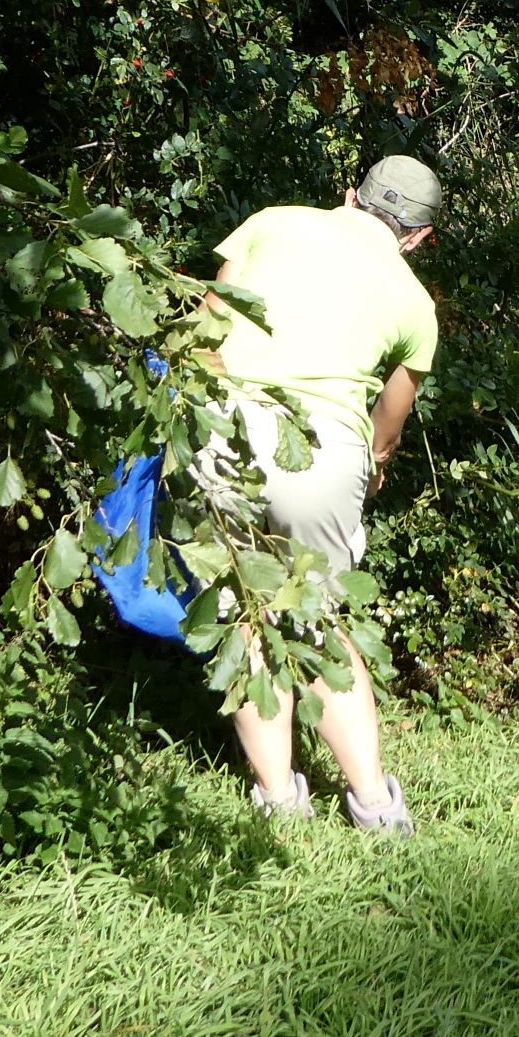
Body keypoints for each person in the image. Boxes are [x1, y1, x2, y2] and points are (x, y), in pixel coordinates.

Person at [203, 155, 443, 833]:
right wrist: (370, 470)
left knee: (247, 613)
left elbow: (207, 332)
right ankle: (374, 804)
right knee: (320, 619)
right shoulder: (415, 304)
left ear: (348, 195)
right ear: (419, 238)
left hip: (224, 430)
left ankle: (279, 801)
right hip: (323, 454)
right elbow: (384, 434)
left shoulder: (271, 223)